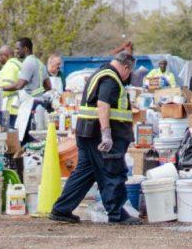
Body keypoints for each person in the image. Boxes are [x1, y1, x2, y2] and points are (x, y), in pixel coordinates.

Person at [49, 51, 140, 225]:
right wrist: (106, 134)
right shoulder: (111, 79)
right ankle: (116, 214)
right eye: (129, 72)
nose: (129, 76)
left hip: (87, 133)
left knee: (84, 174)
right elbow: (103, 104)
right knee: (112, 171)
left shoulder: (100, 73)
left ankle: (61, 209)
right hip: (99, 135)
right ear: (126, 67)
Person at [4, 38, 45, 121]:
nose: (15, 51)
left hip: (30, 105)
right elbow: (48, 86)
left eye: (18, 49)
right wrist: (35, 92)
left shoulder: (28, 62)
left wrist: (2, 88)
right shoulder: (40, 63)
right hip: (40, 103)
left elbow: (19, 85)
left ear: (26, 49)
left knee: (25, 132)